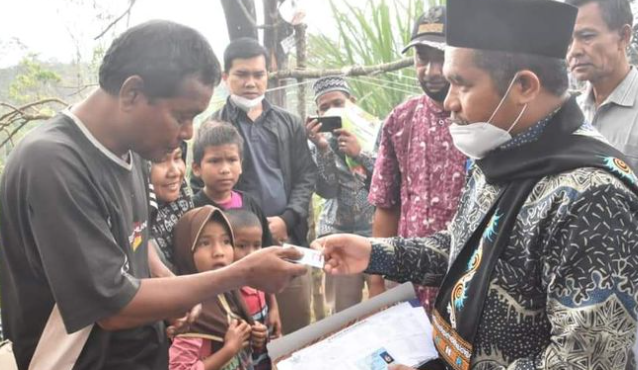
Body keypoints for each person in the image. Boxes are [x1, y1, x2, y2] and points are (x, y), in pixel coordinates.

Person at [315, 0, 638, 368]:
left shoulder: (593, 198)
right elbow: (466, 247)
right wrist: (375, 253)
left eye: (461, 83)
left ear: (524, 86)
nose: (449, 102)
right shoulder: (501, 152)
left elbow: (583, 362)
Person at [0, 20, 306, 370]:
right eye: (181, 115)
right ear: (132, 92)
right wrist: (242, 272)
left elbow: (134, 239)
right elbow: (113, 309)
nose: (188, 132)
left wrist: (168, 283)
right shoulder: (54, 162)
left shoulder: (132, 152)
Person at [210, 37, 317, 334]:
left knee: (297, 332)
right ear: (225, 77)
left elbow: (305, 175)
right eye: (242, 74)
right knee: (250, 335)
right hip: (239, 251)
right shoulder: (215, 127)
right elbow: (207, 188)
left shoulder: (288, 123)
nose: (251, 83)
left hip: (288, 242)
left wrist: (288, 219)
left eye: (259, 74)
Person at [368, 6, 467, 314]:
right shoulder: (401, 120)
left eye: (442, 58)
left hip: (467, 284)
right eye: (423, 58)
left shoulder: (483, 120)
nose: (431, 70)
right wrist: (376, 284)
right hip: (410, 285)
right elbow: (387, 204)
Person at [305, 75, 385, 312]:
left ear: (352, 101)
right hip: (337, 232)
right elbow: (326, 190)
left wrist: (360, 153)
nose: (332, 111)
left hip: (377, 231)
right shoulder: (317, 142)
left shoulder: (377, 131)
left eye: (338, 103)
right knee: (342, 312)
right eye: (324, 108)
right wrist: (322, 149)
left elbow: (389, 181)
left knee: (382, 306)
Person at [170, 205, 268, 370]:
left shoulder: (230, 292)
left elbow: (244, 350)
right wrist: (229, 349)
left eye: (226, 241)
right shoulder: (189, 314)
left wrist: (256, 338)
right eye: (205, 243)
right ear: (186, 251)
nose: (219, 252)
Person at [566, 0, 638, 169]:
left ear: (624, 36)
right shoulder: (569, 111)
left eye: (587, 37)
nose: (574, 50)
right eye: (568, 41)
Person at [191, 121, 273, 247]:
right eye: (215, 161)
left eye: (232, 160)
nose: (225, 169)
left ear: (240, 165)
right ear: (196, 168)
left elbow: (267, 247)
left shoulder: (251, 205)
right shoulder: (193, 210)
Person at [226, 209, 280, 370]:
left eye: (257, 246)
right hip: (244, 356)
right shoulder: (227, 288)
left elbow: (268, 288)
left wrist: (274, 309)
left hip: (265, 347)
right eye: (241, 246)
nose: (251, 253)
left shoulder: (260, 274)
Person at [149, 142, 194, 275]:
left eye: (177, 158)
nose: (174, 172)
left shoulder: (184, 200)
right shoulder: (135, 224)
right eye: (162, 161)